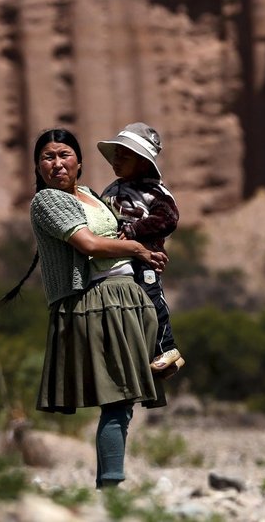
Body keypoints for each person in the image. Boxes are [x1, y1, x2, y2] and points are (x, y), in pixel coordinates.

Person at [0, 127, 167, 489]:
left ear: (79, 162)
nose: (56, 164)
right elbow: (89, 244)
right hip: (98, 302)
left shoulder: (92, 195)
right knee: (118, 398)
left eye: (64, 155)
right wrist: (138, 250)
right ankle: (110, 490)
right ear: (37, 166)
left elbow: (119, 234)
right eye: (47, 157)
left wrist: (148, 250)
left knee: (124, 399)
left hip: (126, 297)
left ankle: (112, 486)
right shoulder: (47, 201)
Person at [97, 122, 184, 377]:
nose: (117, 160)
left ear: (144, 163)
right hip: (116, 261)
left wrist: (136, 230)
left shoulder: (155, 192)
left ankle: (167, 348)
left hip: (145, 259)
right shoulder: (111, 190)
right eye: (116, 154)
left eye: (125, 155)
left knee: (151, 298)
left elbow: (168, 218)